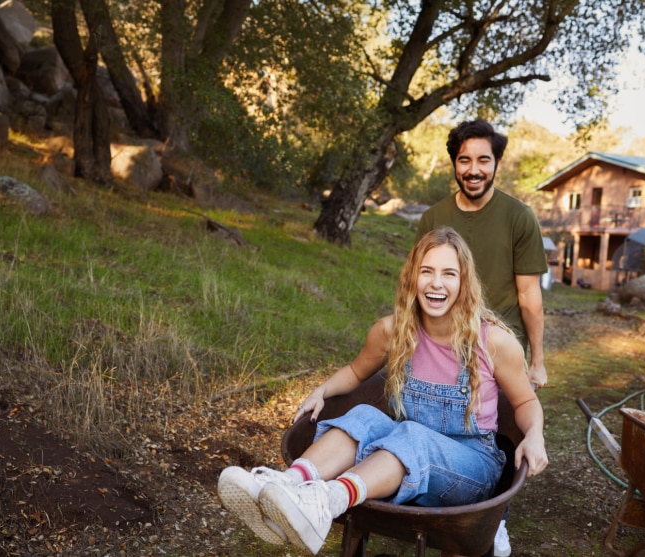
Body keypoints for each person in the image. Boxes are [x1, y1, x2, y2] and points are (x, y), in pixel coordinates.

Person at [217, 227, 548, 555]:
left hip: (472, 468)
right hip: (406, 446)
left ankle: (324, 502)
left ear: (464, 284)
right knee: (364, 416)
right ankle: (287, 487)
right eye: (427, 271)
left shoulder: (493, 343)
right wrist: (321, 390)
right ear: (411, 278)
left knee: (412, 435)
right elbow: (355, 371)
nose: (436, 283)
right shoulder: (392, 332)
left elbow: (525, 401)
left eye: (449, 273)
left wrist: (534, 434)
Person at [416, 119, 549, 557]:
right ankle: (439, 506)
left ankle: (494, 521)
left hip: (498, 348)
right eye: (465, 160)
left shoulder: (518, 217)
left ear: (496, 164)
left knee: (502, 436)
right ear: (455, 163)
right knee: (442, 430)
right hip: (441, 344)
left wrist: (538, 360)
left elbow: (529, 294)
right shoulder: (434, 217)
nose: (474, 169)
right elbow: (423, 283)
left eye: (483, 161)